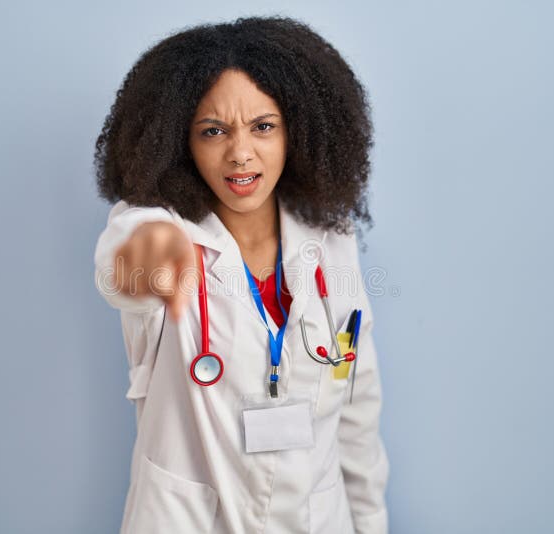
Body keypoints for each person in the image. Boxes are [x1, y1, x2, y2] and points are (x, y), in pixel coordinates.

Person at [93, 16, 389, 534]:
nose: (240, 153)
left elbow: (356, 411)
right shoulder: (156, 228)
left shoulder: (331, 241)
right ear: (179, 142)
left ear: (298, 131)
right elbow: (123, 268)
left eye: (263, 126)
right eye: (213, 131)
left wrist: (370, 524)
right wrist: (149, 258)